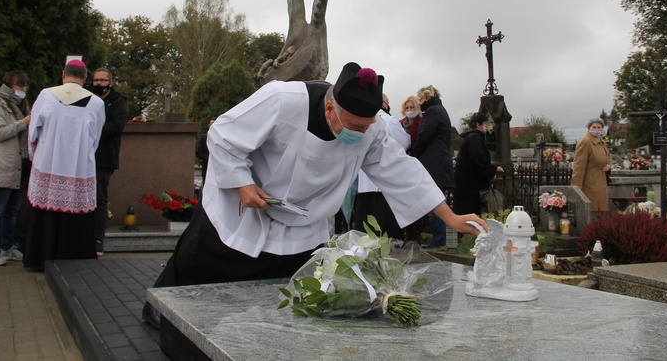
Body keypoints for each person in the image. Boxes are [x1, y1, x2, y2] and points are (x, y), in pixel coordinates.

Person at [143, 62, 486, 327]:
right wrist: (242, 184)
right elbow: (223, 136)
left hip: (303, 220)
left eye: (366, 127)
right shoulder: (282, 98)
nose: (361, 134)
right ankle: (161, 309)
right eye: (353, 126)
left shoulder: (372, 127)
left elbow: (401, 171)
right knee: (200, 261)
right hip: (247, 205)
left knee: (289, 285)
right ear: (329, 108)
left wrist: (449, 217)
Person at [23, 60, 105, 270]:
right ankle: (73, 259)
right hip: (78, 168)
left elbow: (33, 132)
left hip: (47, 164)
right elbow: (95, 138)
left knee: (46, 210)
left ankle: (39, 258)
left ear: (63, 74)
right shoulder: (96, 103)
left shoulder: (46, 95)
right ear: (85, 78)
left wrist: (37, 157)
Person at [0, 71, 32, 266]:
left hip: (20, 164)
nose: (23, 90)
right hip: (2, 164)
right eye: (20, 86)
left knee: (12, 210)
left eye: (25, 86)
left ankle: (8, 247)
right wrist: (22, 123)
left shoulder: (21, 105)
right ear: (10, 86)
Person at [351, 94, 410, 240]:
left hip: (365, 179)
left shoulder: (361, 118)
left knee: (366, 224)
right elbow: (403, 142)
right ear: (384, 103)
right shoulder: (390, 120)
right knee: (386, 222)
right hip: (386, 177)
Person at [408, 85, 455, 248]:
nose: (419, 103)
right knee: (437, 200)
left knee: (436, 201)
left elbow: (423, 136)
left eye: (420, 99)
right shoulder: (439, 110)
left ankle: (440, 239)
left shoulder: (433, 111)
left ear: (426, 98)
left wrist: (412, 156)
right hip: (439, 162)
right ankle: (440, 238)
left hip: (434, 163)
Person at [91, 68, 128, 256]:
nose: (98, 84)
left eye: (102, 80)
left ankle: (98, 239)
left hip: (104, 158)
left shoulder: (118, 103)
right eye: (95, 80)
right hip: (83, 157)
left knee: (99, 199)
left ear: (110, 83)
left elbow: (116, 125)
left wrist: (91, 133)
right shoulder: (87, 99)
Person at [454, 112, 504, 217]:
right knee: (469, 213)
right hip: (469, 184)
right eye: (486, 124)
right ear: (478, 124)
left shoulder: (473, 137)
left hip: (468, 182)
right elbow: (478, 159)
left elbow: (481, 159)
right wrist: (490, 175)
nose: (488, 126)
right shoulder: (474, 137)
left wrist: (494, 168)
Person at [571, 118, 611, 212]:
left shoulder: (601, 142)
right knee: (591, 210)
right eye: (594, 127)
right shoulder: (585, 141)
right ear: (589, 128)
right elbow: (579, 165)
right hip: (590, 183)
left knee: (601, 210)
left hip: (601, 181)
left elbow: (606, 157)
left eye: (599, 127)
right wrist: (576, 188)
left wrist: (608, 165)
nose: (596, 129)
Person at [195, 118, 216, 197]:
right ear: (209, 125)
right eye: (212, 124)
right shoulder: (204, 138)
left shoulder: (221, 138)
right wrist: (208, 159)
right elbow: (198, 152)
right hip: (207, 166)